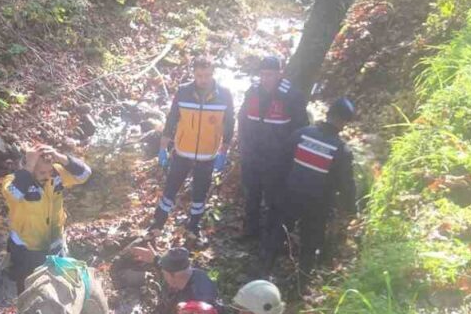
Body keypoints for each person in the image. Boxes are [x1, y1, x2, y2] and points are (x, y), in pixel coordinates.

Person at [266, 97, 359, 284]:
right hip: (317, 206)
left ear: (328, 114)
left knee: (277, 235)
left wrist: (274, 193)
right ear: (344, 122)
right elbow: (346, 185)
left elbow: (279, 164)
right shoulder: (341, 150)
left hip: (290, 196)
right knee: (309, 245)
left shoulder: (302, 134)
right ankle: (300, 287)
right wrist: (351, 209)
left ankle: (262, 272)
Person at [150, 56, 235, 242]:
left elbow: (229, 122)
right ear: (194, 74)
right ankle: (158, 223)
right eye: (199, 75)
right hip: (182, 151)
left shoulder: (224, 94)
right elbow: (172, 119)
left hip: (208, 154)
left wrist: (224, 150)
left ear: (213, 73)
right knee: (170, 189)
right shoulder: (183, 92)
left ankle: (193, 227)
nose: (203, 79)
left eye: (207, 75)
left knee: (200, 194)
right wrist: (163, 147)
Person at [2, 143, 92, 291]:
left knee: (58, 285)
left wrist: (60, 157)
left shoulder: (56, 174)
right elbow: (14, 194)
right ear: (30, 168)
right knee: (27, 288)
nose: (48, 176)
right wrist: (30, 164)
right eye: (42, 172)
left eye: (50, 171)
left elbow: (85, 174)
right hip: (26, 248)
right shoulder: (13, 181)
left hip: (54, 242)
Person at [236, 56, 308, 240]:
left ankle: (270, 238)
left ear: (279, 74)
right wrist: (243, 146)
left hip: (277, 159)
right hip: (252, 155)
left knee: (274, 199)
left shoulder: (292, 96)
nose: (265, 79)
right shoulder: (253, 91)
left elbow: (300, 129)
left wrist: (288, 157)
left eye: (269, 75)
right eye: (262, 74)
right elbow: (242, 119)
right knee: (251, 194)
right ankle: (250, 231)